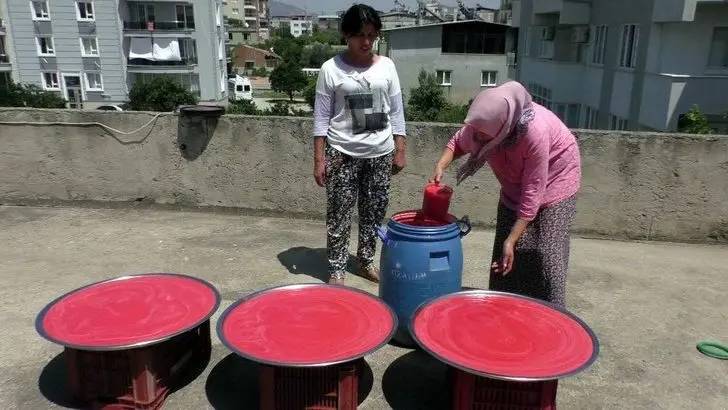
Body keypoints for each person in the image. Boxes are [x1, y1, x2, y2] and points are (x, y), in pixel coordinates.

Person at [430, 81, 581, 307]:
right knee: (505, 257)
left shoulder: (534, 134)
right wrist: (442, 164)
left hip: (556, 179)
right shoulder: (484, 124)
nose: (477, 139)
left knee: (547, 254)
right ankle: (503, 307)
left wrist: (513, 239)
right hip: (514, 184)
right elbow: (459, 142)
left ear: (503, 128)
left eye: (484, 137)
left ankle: (552, 312)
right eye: (476, 133)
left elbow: (533, 192)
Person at [313, 4, 407, 285]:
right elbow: (320, 117)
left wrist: (400, 148)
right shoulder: (330, 69)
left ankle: (366, 260)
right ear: (345, 35)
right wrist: (319, 159)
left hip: (380, 153)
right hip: (342, 152)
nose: (366, 42)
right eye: (359, 35)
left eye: (371, 35)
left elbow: (397, 110)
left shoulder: (387, 66)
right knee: (339, 213)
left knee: (374, 212)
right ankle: (337, 268)